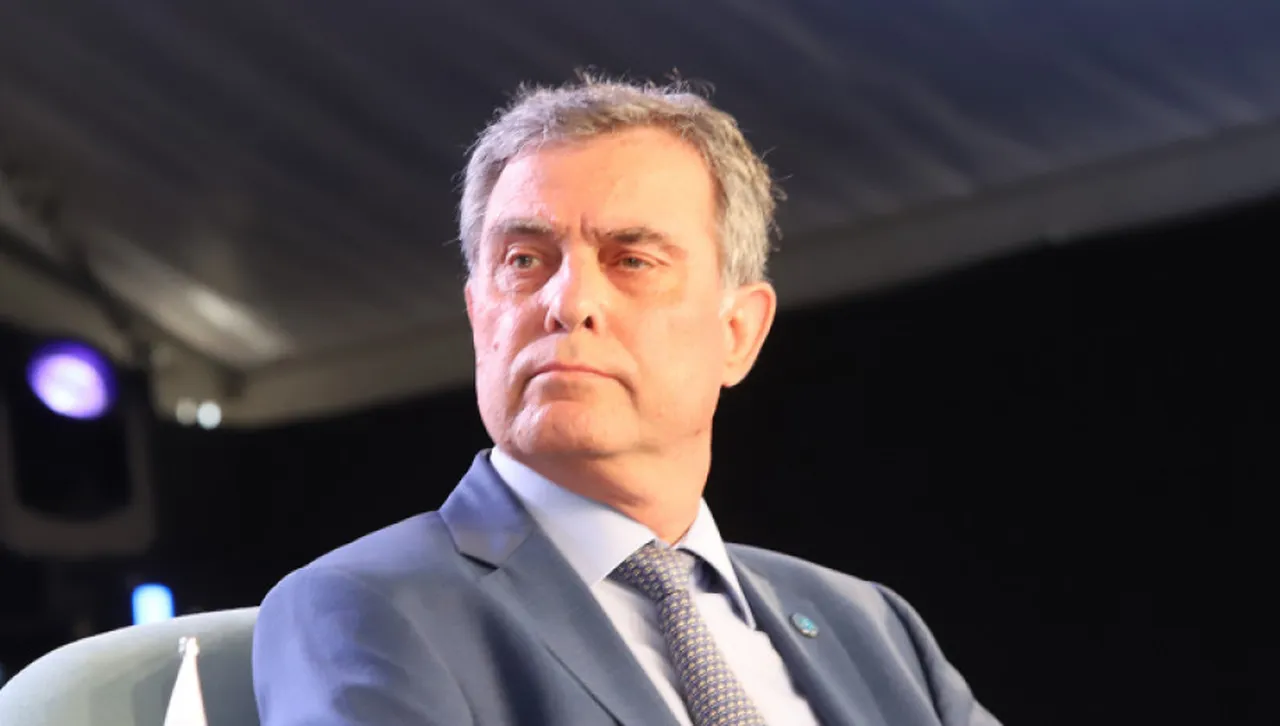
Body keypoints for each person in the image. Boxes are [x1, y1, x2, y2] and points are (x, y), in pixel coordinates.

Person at [252, 77, 1000, 726]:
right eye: (525, 260)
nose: (569, 302)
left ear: (738, 333)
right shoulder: (367, 606)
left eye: (632, 260)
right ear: (480, 316)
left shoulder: (872, 628)